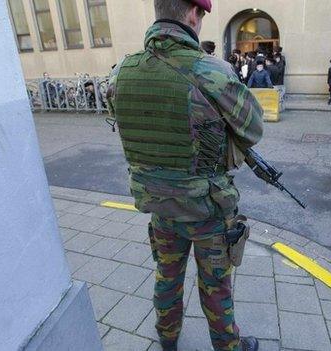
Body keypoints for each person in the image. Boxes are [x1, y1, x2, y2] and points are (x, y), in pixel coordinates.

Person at [106, 1, 263, 350]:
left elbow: (122, 118)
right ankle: (228, 346)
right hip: (206, 210)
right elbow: (252, 130)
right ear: (193, 14)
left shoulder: (121, 73)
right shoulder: (213, 72)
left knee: (166, 277)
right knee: (215, 286)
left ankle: (167, 338)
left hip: (161, 208)